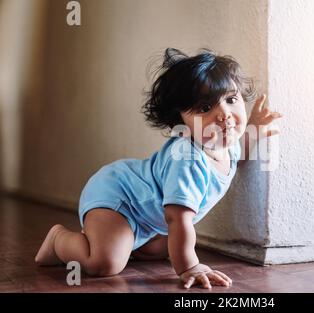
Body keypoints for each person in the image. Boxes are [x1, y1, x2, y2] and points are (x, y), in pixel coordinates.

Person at [35, 48, 282, 289]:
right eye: (206, 108)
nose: (225, 114)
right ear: (180, 121)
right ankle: (59, 240)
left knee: (163, 248)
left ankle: (131, 241)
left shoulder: (227, 145)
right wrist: (189, 267)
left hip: (148, 217)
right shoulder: (187, 159)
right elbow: (178, 218)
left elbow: (239, 157)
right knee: (105, 263)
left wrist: (255, 128)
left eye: (231, 99)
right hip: (118, 197)